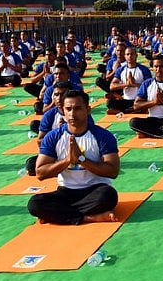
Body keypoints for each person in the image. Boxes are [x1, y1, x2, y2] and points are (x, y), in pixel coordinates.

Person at [28, 91, 120, 225]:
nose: (72, 114)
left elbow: (113, 171)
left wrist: (82, 160)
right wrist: (67, 161)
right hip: (65, 192)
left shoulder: (102, 136)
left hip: (94, 190)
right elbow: (40, 173)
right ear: (63, 111)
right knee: (35, 204)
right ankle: (88, 218)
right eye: (68, 109)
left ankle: (58, 215)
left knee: (108, 196)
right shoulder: (53, 137)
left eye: (77, 108)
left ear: (87, 110)